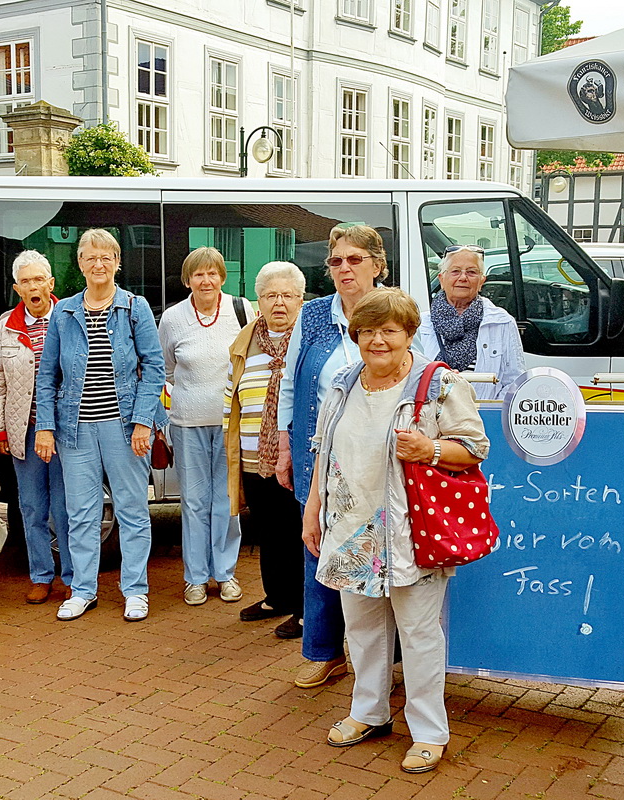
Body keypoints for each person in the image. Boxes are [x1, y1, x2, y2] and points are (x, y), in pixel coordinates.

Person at [303, 288, 488, 774]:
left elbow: (475, 447)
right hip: (350, 528)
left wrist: (429, 448)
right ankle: (369, 712)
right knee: (362, 630)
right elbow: (324, 449)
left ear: (409, 334)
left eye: (389, 331)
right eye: (367, 331)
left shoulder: (439, 383)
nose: (377, 341)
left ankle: (429, 732)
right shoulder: (344, 381)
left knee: (420, 633)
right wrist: (313, 508)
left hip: (410, 532)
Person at [34, 228, 168, 623]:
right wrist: (45, 426)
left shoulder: (134, 307)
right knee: (80, 514)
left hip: (124, 427)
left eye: (105, 257)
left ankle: (135, 591)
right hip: (74, 429)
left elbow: (154, 367)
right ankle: (84, 590)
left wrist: (144, 420)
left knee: (131, 510)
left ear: (117, 262)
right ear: (79, 264)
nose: (98, 264)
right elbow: (48, 375)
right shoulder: (64, 311)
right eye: (90, 257)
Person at [276, 223, 387, 688]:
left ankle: (384, 663)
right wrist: (285, 444)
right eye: (336, 260)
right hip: (317, 454)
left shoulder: (395, 310)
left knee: (380, 551)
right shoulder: (314, 314)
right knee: (317, 546)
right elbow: (289, 379)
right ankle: (327, 652)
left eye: (355, 259)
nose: (344, 268)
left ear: (378, 266)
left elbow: (424, 376)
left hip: (381, 456)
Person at [159, 247, 255, 606]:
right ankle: (196, 578)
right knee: (195, 503)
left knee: (227, 501)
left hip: (230, 425)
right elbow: (168, 370)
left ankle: (225, 574)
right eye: (198, 274)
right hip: (187, 425)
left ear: (222, 277)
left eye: (212, 273)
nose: (206, 280)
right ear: (188, 280)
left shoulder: (241, 310)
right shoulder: (172, 318)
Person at [225, 261, 305, 637]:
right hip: (254, 457)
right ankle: (277, 596)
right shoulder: (244, 341)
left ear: (300, 300)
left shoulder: (308, 341)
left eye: (287, 295)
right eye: (271, 295)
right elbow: (232, 399)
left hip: (298, 457)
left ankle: (307, 609)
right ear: (258, 301)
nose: (279, 303)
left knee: (300, 531)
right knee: (269, 531)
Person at [0, 250, 71, 604]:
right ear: (16, 288)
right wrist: (0, 430)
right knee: (32, 507)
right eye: (26, 281)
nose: (33, 286)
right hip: (24, 428)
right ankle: (41, 576)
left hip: (66, 430)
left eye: (39, 279)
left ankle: (72, 575)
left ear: (51, 284)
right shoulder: (6, 324)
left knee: (67, 508)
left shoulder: (70, 318)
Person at [416, 245, 525, 400]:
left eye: (471, 272)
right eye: (455, 271)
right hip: (430, 417)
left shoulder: (502, 322)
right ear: (441, 279)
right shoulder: (419, 323)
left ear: (481, 281)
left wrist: (489, 411)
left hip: (482, 417)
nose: (463, 278)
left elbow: (514, 381)